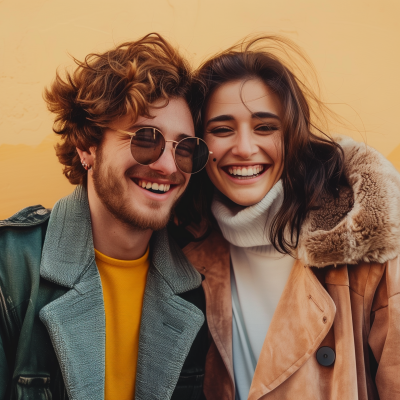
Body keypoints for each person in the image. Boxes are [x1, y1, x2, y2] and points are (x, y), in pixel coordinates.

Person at [172, 36, 400, 400]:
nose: (245, 148)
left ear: (293, 135)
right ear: (198, 144)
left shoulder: (366, 244)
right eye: (221, 129)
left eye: (265, 127)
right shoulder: (183, 246)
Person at [0, 33, 212, 399]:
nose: (167, 166)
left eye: (185, 149)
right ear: (87, 145)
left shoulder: (200, 282)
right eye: (146, 139)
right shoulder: (10, 268)